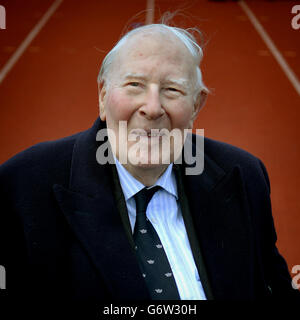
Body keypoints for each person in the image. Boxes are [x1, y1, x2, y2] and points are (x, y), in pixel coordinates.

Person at [0, 22, 299, 303]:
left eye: (172, 89)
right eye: (134, 84)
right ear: (103, 96)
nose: (153, 108)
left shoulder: (244, 176)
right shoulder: (22, 187)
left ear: (196, 105)